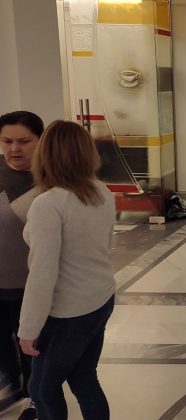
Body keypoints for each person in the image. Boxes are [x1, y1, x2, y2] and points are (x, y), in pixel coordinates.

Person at [19, 120, 116, 420]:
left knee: (41, 389)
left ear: (45, 154)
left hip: (68, 314)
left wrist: (28, 329)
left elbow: (42, 272)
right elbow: (105, 244)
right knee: (84, 378)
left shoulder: (48, 204)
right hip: (100, 299)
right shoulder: (101, 191)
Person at [0, 111, 43, 420]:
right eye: (6, 141)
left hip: (33, 287)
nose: (14, 149)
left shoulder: (53, 180)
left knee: (34, 348)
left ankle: (35, 399)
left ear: (40, 140)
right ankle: (12, 387)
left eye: (24, 141)